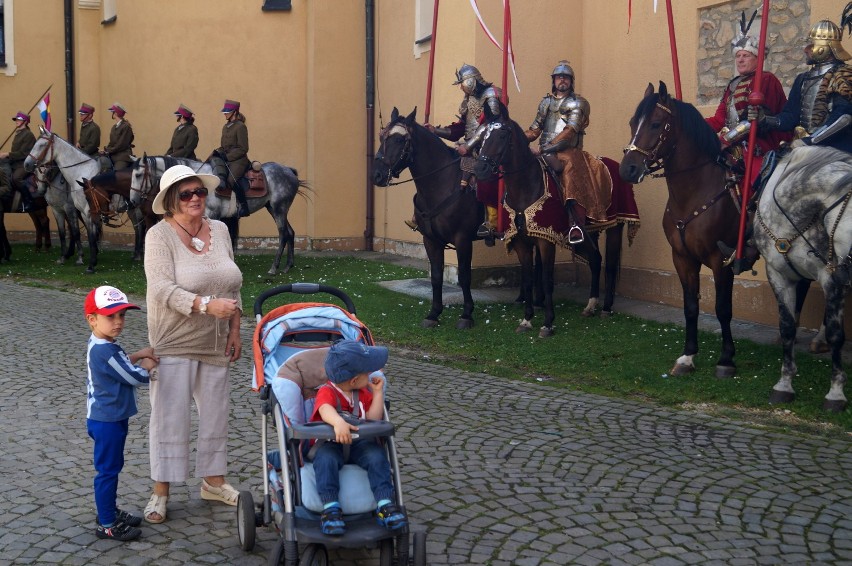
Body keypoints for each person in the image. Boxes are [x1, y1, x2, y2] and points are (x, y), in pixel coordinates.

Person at [143, 164, 244, 524]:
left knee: (216, 415)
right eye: (186, 194)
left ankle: (213, 483)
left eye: (199, 191)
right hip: (174, 340)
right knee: (170, 418)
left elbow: (232, 283)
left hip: (216, 341)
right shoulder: (159, 236)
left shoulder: (219, 229)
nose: (196, 198)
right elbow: (161, 288)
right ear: (171, 200)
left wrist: (235, 328)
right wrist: (204, 305)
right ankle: (161, 491)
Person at [734, 5, 852, 273]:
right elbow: (788, 118)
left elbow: (844, 117)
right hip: (803, 149)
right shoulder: (803, 78)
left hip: (838, 148)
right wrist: (764, 120)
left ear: (825, 46)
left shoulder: (843, 75)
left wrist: (812, 142)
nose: (807, 49)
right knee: (764, 177)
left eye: (811, 44)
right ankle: (754, 240)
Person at [707, 12, 791, 271]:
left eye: (745, 56)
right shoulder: (733, 85)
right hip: (733, 146)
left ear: (757, 58)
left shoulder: (766, 80)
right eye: (738, 57)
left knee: (752, 184)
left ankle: (752, 238)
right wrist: (695, 126)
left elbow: (760, 119)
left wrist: (728, 138)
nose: (740, 60)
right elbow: (720, 118)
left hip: (759, 145)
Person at [309, 340, 408, 536]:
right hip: (330, 444)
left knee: (377, 456)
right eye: (368, 372)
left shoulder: (362, 392)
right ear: (354, 380)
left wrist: (378, 393)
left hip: (360, 443)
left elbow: (372, 418)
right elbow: (324, 408)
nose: (372, 374)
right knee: (325, 460)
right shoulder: (327, 391)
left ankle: (384, 503)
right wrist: (338, 423)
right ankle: (330, 508)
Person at [84, 285, 158, 541]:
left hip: (109, 417)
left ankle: (109, 510)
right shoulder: (106, 350)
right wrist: (147, 364)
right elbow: (134, 376)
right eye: (110, 316)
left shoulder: (103, 343)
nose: (118, 322)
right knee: (108, 470)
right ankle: (106, 523)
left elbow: (122, 361)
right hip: (108, 421)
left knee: (111, 467)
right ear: (92, 319)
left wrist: (138, 354)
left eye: (122, 315)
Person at [413, 64, 503, 246]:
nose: (461, 87)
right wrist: (435, 130)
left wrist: (468, 145)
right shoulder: (468, 100)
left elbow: (491, 125)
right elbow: (460, 128)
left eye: (461, 83)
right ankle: (421, 215)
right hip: (468, 149)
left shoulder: (491, 95)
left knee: (486, 178)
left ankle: (490, 223)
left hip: (487, 148)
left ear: (471, 80)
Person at [524, 60, 612, 245]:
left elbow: (569, 131)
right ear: (553, 81)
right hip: (543, 150)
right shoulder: (546, 102)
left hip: (568, 151)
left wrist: (543, 148)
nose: (562, 80)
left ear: (571, 81)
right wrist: (517, 139)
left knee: (570, 171)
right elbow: (535, 129)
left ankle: (576, 224)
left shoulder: (578, 103)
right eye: (558, 77)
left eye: (565, 77)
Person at [216, 99, 251, 217]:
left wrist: (227, 156)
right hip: (227, 158)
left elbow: (243, 148)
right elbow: (224, 146)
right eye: (224, 112)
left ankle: (244, 206)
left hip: (239, 160)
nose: (225, 114)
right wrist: (217, 152)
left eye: (227, 112)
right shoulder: (226, 127)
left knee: (231, 180)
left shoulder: (240, 127)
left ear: (234, 112)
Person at [0, 112, 37, 211]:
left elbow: (24, 153)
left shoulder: (28, 134)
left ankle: (29, 201)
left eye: (19, 120)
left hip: (25, 164)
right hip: (15, 162)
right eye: (16, 119)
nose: (16, 121)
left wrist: (7, 154)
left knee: (17, 178)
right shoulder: (18, 133)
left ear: (25, 122)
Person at [101, 103, 135, 170]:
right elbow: (111, 142)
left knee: (116, 173)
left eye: (112, 112)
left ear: (116, 113)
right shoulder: (114, 127)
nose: (112, 114)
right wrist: (105, 150)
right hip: (113, 155)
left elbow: (121, 144)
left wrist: (108, 150)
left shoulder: (126, 127)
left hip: (122, 156)